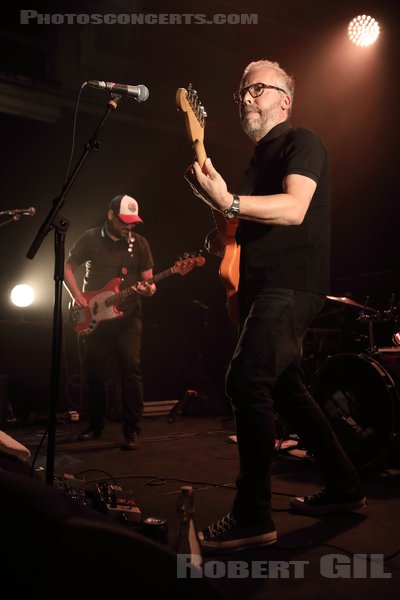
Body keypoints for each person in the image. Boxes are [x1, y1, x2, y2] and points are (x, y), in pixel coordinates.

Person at [188, 59, 366, 553]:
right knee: (289, 393)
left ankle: (253, 517)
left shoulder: (301, 140)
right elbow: (241, 225)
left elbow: (294, 208)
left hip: (292, 284)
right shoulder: (255, 162)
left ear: (284, 100)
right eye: (242, 91)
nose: (246, 97)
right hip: (260, 288)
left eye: (258, 89)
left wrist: (230, 202)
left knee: (246, 379)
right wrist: (218, 203)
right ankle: (346, 489)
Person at [64, 194, 156, 450]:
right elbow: (68, 267)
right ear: (110, 215)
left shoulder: (140, 243)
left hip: (128, 318)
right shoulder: (90, 238)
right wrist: (77, 296)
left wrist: (149, 289)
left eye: (132, 222)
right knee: (94, 374)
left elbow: (149, 280)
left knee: (131, 370)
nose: (129, 226)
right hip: (94, 316)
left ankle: (131, 431)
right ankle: (94, 426)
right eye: (124, 221)